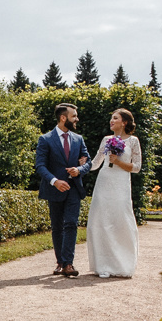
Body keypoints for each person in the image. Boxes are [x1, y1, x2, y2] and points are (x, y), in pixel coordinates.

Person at [35, 103, 90, 278]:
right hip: (55, 189)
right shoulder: (45, 139)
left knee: (71, 224)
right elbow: (40, 166)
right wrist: (55, 181)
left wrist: (79, 170)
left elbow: (87, 161)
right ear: (63, 118)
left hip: (74, 188)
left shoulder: (78, 139)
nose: (77, 119)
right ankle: (60, 262)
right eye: (74, 116)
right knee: (57, 227)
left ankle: (68, 264)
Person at [85, 109, 142, 278]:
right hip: (104, 183)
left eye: (115, 118)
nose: (111, 120)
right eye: (111, 118)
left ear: (124, 122)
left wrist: (118, 162)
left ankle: (122, 265)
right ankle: (103, 265)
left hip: (121, 185)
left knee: (120, 221)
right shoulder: (106, 140)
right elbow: (96, 163)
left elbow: (137, 167)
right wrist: (82, 165)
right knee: (100, 221)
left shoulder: (133, 141)